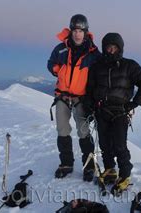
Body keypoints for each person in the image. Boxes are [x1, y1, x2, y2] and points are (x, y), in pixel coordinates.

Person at [84, 33, 141, 194]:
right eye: (108, 47)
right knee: (104, 144)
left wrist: (134, 103)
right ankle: (110, 169)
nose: (111, 50)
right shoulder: (97, 66)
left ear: (120, 48)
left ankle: (125, 175)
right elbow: (90, 88)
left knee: (119, 145)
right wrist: (90, 104)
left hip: (120, 111)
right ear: (104, 48)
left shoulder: (129, 66)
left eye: (114, 47)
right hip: (101, 110)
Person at [47, 14, 101, 181]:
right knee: (62, 130)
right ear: (71, 31)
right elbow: (50, 63)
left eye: (81, 30)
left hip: (81, 99)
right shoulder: (61, 48)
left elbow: (99, 74)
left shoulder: (93, 53)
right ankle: (66, 164)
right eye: (75, 30)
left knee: (83, 132)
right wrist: (58, 70)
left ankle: (89, 166)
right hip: (62, 96)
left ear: (86, 32)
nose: (78, 34)